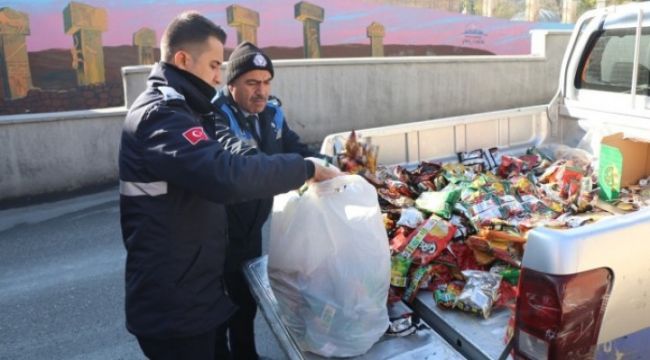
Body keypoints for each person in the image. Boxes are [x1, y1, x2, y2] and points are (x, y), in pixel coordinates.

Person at [118, 12, 339, 360]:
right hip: (175, 305)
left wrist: (320, 161)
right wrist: (305, 168)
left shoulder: (188, 110)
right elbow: (227, 173)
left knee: (237, 318)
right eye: (214, 65)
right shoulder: (164, 115)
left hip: (194, 287)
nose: (217, 76)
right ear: (182, 60)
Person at [210, 41, 326, 359]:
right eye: (251, 83)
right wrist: (304, 169)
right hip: (218, 232)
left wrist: (326, 164)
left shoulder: (272, 112)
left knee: (246, 300)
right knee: (220, 308)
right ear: (231, 83)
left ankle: (246, 356)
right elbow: (242, 160)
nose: (261, 91)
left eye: (265, 82)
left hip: (251, 226)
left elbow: (293, 145)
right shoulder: (215, 115)